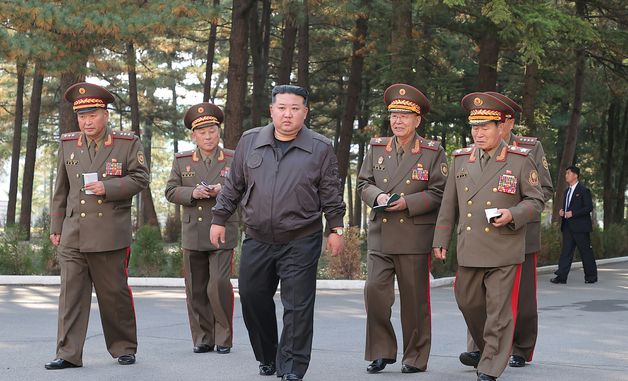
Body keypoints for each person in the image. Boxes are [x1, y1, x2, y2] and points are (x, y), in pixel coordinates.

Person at [209, 85, 346, 381]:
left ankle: (293, 367)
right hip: (257, 237)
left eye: (295, 108)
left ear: (305, 113)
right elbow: (234, 185)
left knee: (297, 306)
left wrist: (335, 227)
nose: (288, 114)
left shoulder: (320, 147)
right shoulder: (250, 141)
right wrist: (218, 218)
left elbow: (331, 191)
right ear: (271, 110)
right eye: (282, 107)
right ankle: (268, 355)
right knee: (251, 296)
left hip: (301, 238)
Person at [432, 92, 545, 381]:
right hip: (470, 247)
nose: (478, 133)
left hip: (504, 246)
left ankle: (491, 364)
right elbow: (448, 205)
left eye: (485, 127)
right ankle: (489, 347)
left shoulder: (520, 160)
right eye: (474, 127)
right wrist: (440, 240)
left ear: (500, 127)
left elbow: (536, 201)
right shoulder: (460, 159)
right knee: (467, 300)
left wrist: (513, 215)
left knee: (498, 309)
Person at [47, 82, 149, 369]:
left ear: (105, 114)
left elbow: (141, 178)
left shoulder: (126, 143)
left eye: (92, 115)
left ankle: (124, 347)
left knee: (113, 294)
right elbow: (61, 188)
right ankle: (67, 353)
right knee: (70, 296)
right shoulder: (69, 144)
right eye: (81, 116)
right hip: (73, 232)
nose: (86, 121)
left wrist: (109, 187)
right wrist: (56, 225)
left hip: (109, 234)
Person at [357, 84, 448, 374]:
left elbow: (439, 192)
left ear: (417, 120)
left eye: (404, 116)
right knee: (374, 292)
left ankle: (415, 356)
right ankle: (381, 351)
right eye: (394, 115)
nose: (397, 121)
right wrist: (378, 197)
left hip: (413, 236)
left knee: (414, 301)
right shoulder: (377, 148)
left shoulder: (432, 152)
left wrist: (407, 202)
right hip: (381, 235)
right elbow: (362, 184)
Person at [459, 92, 554, 369]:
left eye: (502, 119)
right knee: (479, 297)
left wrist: (516, 213)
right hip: (482, 237)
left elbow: (543, 189)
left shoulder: (529, 149)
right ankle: (480, 348)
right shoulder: (474, 151)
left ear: (507, 122)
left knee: (520, 298)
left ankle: (521, 347)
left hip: (518, 232)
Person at [165, 102, 239, 355]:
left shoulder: (233, 158)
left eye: (213, 131)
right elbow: (170, 191)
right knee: (196, 288)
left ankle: (224, 337)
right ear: (194, 135)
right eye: (202, 132)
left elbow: (247, 187)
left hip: (222, 229)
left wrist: (223, 189)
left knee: (218, 284)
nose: (208, 136)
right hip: (193, 232)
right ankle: (203, 337)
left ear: (219, 132)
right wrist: (192, 192)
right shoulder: (182, 160)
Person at [551, 165, 598, 284]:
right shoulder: (567, 191)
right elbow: (568, 207)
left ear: (575, 175)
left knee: (585, 251)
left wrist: (573, 213)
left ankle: (591, 277)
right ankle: (561, 277)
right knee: (566, 252)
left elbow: (588, 208)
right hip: (567, 226)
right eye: (566, 173)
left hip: (581, 227)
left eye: (568, 173)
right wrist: (563, 211)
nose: (566, 175)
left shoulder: (583, 190)